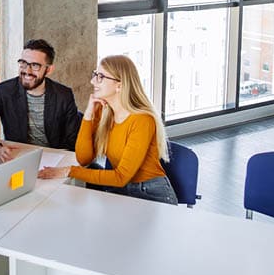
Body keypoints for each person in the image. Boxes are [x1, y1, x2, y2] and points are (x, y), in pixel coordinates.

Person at [38, 55, 178, 205]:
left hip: (151, 194)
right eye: (95, 75)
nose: (93, 81)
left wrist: (68, 171)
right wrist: (88, 115)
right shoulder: (104, 113)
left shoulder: (142, 120)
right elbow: (83, 158)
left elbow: (121, 177)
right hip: (120, 191)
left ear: (120, 85)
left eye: (101, 77)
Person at [0, 39, 80, 162]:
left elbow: (73, 141)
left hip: (54, 158)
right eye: (23, 63)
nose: (27, 71)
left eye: (35, 65)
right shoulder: (3, 91)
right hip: (18, 156)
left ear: (48, 70)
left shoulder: (64, 95)